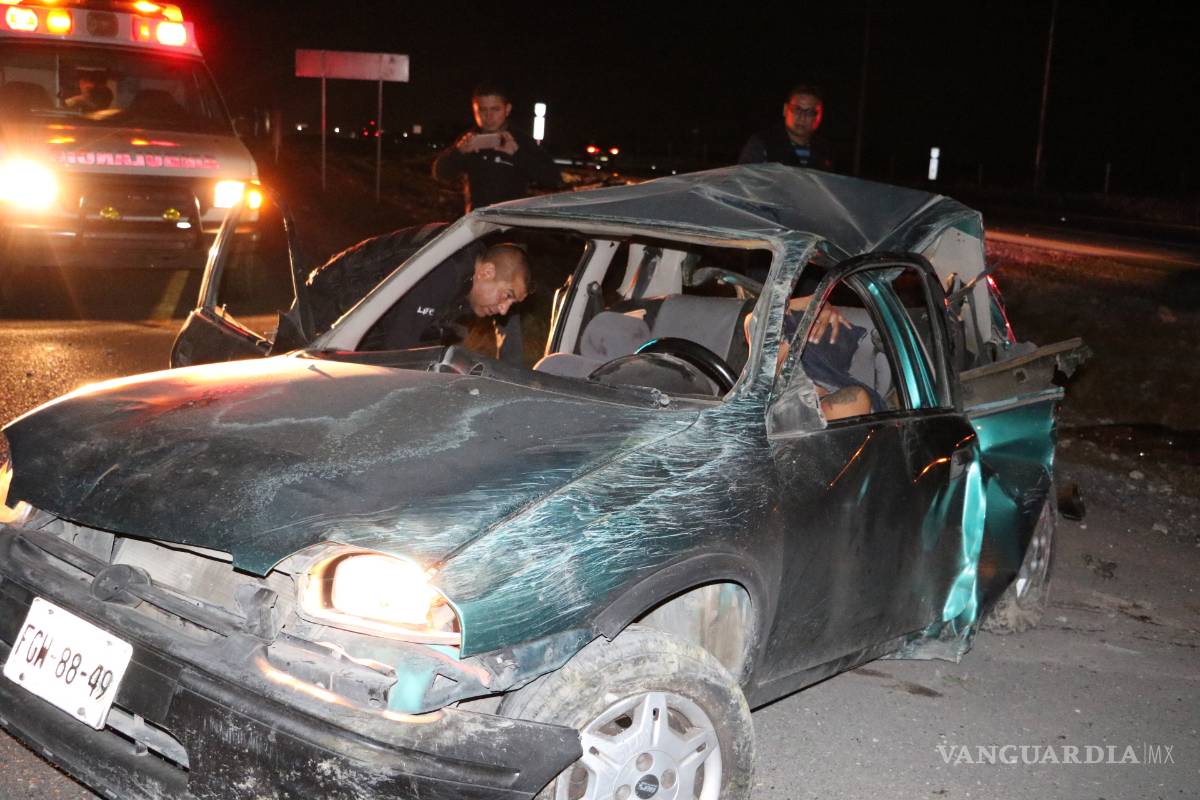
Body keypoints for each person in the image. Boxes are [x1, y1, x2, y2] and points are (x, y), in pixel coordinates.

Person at [372, 241, 532, 360]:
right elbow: (397, 355)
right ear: (486, 272)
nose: (504, 310)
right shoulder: (444, 271)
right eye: (507, 295)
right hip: (357, 304)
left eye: (512, 304)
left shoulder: (466, 286)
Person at [433, 82, 562, 213]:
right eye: (482, 110)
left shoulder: (520, 140)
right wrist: (459, 151)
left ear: (507, 109)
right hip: (476, 221)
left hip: (510, 221)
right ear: (474, 110)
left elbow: (553, 179)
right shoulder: (469, 140)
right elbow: (440, 173)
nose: (488, 116)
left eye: (495, 109)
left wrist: (517, 154)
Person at [738, 84, 833, 170]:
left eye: (810, 112)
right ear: (785, 110)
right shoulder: (762, 143)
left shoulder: (824, 150)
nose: (802, 117)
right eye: (797, 109)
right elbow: (745, 179)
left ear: (819, 116)